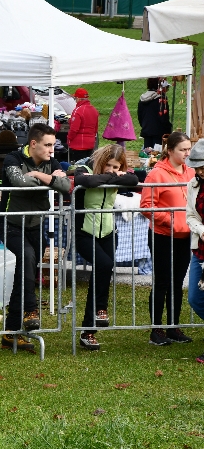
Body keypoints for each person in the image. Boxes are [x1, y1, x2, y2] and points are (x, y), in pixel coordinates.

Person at [0, 123, 70, 353]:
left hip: (36, 225)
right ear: (33, 144)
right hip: (11, 224)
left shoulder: (52, 163)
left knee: (25, 273)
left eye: (53, 144)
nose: (52, 149)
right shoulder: (12, 159)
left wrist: (39, 174)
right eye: (47, 145)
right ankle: (31, 309)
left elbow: (66, 186)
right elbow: (20, 183)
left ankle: (10, 334)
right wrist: (51, 179)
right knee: (27, 258)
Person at [73, 145, 138, 350]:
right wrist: (113, 177)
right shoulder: (85, 167)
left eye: (115, 166)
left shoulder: (120, 174)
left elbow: (134, 180)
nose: (111, 169)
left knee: (101, 274)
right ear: (101, 161)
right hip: (84, 231)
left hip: (108, 232)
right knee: (105, 264)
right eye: (107, 165)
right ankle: (101, 308)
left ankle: (88, 331)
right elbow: (85, 181)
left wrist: (117, 176)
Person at [140, 131, 194, 346]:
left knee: (177, 282)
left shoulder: (191, 173)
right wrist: (168, 219)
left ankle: (173, 327)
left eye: (189, 149)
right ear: (170, 151)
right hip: (163, 235)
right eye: (183, 150)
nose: (187, 153)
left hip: (185, 236)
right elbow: (146, 206)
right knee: (162, 281)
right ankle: (157, 329)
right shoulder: (156, 174)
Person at [184, 140, 204, 362]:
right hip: (200, 249)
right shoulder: (193, 185)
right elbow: (190, 215)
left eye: (202, 166)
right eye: (197, 166)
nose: (199, 171)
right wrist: (201, 229)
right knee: (195, 298)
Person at [138, 77, 172, 150]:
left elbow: (140, 116)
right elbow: (164, 118)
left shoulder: (143, 98)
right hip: (159, 133)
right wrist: (169, 129)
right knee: (158, 154)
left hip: (146, 130)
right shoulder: (161, 99)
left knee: (147, 153)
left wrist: (144, 126)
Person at [67, 88, 99, 162]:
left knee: (79, 166)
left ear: (78, 98)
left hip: (78, 145)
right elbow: (95, 128)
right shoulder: (94, 110)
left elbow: (74, 129)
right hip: (90, 144)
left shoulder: (78, 110)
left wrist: (69, 138)